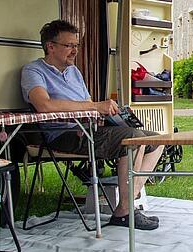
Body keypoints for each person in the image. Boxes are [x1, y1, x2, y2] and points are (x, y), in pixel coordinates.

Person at [20, 19, 165, 231]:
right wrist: (95, 107)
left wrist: (103, 114)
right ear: (50, 46)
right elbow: (44, 105)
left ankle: (127, 204)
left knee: (158, 140)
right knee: (133, 137)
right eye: (69, 45)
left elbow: (88, 104)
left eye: (76, 45)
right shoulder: (34, 71)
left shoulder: (74, 72)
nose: (74, 51)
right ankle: (125, 212)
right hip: (64, 134)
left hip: (88, 129)